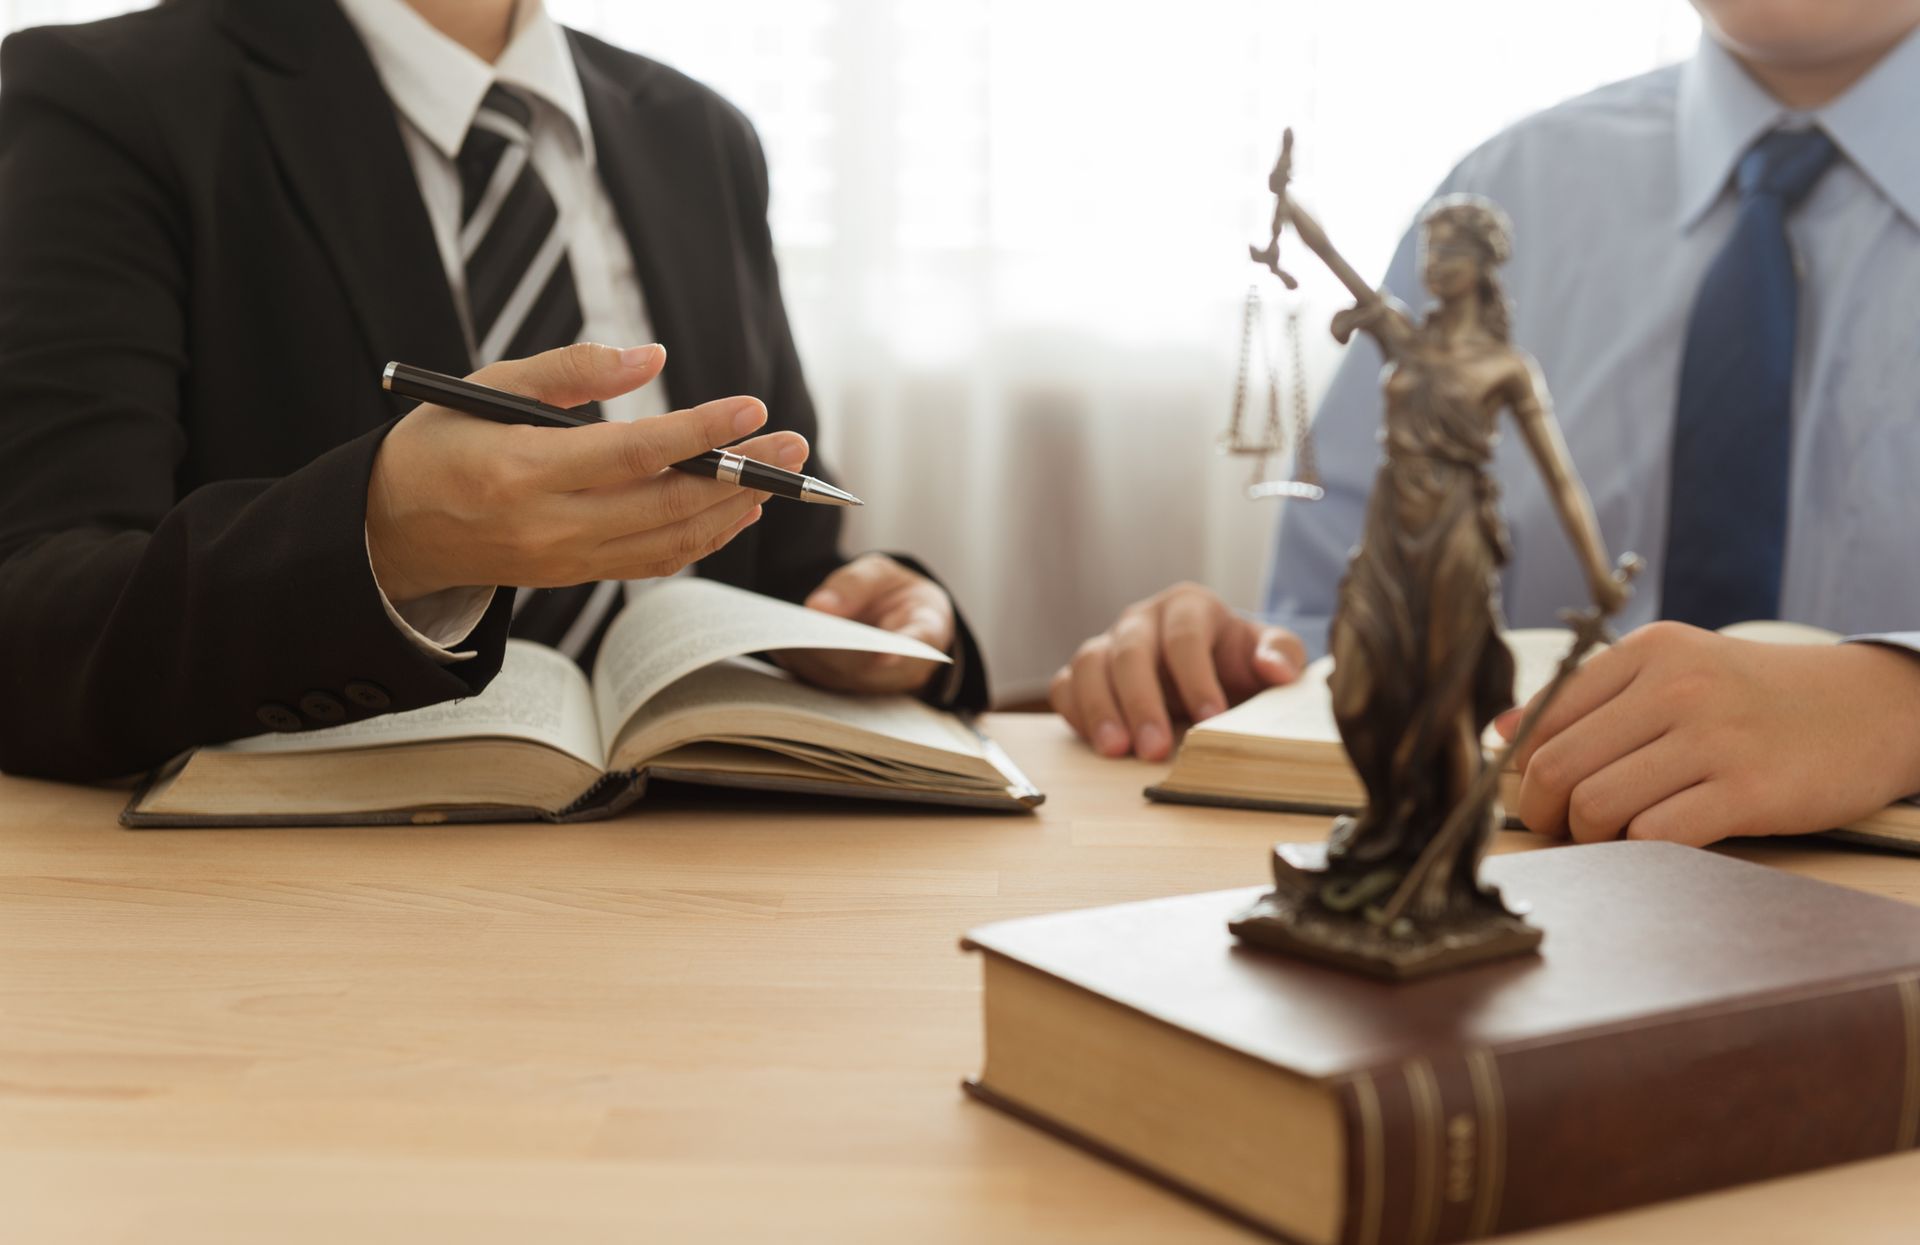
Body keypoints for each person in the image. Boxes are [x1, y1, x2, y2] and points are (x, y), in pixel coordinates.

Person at [0, 0, 986, 782]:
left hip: (712, 862)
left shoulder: (701, 136)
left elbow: (781, 551)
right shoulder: (110, 99)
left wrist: (868, 614)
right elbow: (34, 616)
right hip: (317, 914)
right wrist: (379, 537)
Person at [1052, 0, 1920, 848]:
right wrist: (1245, 666)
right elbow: (1331, 621)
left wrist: (1899, 704)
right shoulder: (1509, 186)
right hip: (1537, 877)